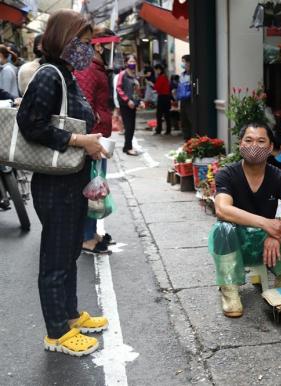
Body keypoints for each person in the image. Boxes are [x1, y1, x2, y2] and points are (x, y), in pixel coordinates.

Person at [16, 9, 109, 356]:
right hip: (55, 184)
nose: (88, 49)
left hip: (72, 181)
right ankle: (56, 333)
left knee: (69, 251)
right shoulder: (50, 76)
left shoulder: (66, 75)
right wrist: (79, 142)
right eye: (82, 42)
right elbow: (31, 124)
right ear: (64, 40)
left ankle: (70, 317)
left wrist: (91, 142)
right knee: (56, 258)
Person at [209, 122, 281, 318]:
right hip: (237, 243)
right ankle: (229, 289)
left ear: (270, 147)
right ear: (240, 144)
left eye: (261, 141)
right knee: (223, 228)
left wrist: (278, 232)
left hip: (268, 245)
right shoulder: (227, 174)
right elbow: (222, 209)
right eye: (248, 140)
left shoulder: (279, 176)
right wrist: (266, 223)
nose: (254, 145)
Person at [75, 27, 118, 255]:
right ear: (99, 45)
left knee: (95, 185)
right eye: (110, 46)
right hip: (94, 138)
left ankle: (90, 233)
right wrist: (91, 141)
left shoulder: (96, 66)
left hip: (98, 136)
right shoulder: (90, 68)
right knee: (91, 186)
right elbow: (85, 105)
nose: (114, 51)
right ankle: (86, 238)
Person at [116, 54, 145, 155]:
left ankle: (127, 147)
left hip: (133, 105)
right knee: (128, 126)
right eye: (130, 62)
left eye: (134, 62)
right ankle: (128, 148)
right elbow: (118, 88)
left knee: (132, 127)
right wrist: (127, 100)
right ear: (126, 63)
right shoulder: (122, 74)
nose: (132, 63)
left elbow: (137, 91)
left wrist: (140, 101)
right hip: (125, 105)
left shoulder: (134, 75)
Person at [152, 64, 172, 135]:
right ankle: (168, 130)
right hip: (166, 97)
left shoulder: (161, 77)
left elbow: (157, 87)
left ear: (159, 70)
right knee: (166, 114)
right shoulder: (165, 77)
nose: (156, 71)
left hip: (162, 97)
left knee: (159, 114)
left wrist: (152, 85)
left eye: (156, 70)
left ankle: (159, 130)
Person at [178, 54, 194, 140]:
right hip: (183, 101)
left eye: (183, 62)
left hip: (190, 101)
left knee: (190, 120)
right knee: (183, 121)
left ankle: (192, 140)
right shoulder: (182, 75)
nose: (183, 64)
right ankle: (186, 141)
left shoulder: (193, 75)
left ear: (189, 63)